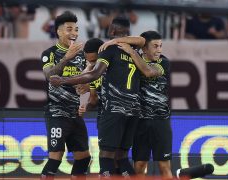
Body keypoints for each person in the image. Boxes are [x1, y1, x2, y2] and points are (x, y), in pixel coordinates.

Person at [49, 16, 142, 177]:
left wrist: (64, 80)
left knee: (106, 158)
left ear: (111, 31)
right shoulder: (135, 51)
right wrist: (86, 102)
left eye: (92, 60)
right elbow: (92, 92)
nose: (90, 63)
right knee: (122, 158)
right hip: (133, 111)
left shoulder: (107, 51)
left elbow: (94, 74)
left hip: (113, 110)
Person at [97, 31, 172, 178]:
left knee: (164, 166)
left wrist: (127, 49)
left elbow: (148, 72)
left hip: (160, 121)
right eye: (155, 46)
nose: (159, 50)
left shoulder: (163, 62)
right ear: (144, 49)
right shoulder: (131, 62)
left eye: (161, 46)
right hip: (139, 121)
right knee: (139, 166)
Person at [40, 11, 91, 179]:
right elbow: (50, 76)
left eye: (76, 29)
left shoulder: (83, 56)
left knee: (84, 158)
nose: (74, 33)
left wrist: (84, 102)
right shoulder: (50, 53)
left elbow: (86, 84)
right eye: (69, 29)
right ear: (59, 31)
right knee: (56, 156)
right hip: (57, 112)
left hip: (75, 113)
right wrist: (66, 58)